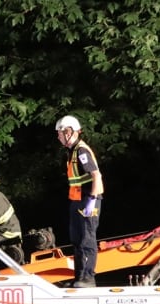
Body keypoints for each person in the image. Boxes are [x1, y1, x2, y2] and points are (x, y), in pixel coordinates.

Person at [56, 115, 104, 288]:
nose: (58, 137)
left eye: (60, 133)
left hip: (87, 200)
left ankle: (88, 277)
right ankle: (79, 277)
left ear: (69, 132)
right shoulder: (73, 151)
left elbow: (96, 175)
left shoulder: (82, 151)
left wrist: (92, 200)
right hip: (77, 200)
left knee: (87, 238)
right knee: (77, 239)